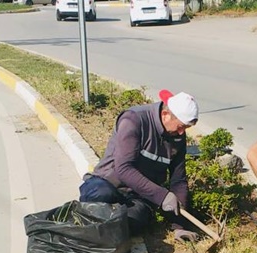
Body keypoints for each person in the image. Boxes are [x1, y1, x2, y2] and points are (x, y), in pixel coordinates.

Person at [79, 90, 199, 242]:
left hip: (138, 196)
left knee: (136, 220)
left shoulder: (177, 137)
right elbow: (123, 169)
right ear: (165, 115)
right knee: (100, 196)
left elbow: (178, 180)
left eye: (186, 128)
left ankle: (102, 232)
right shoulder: (134, 120)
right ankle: (88, 229)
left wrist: (179, 226)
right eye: (181, 126)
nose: (182, 133)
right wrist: (162, 196)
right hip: (108, 183)